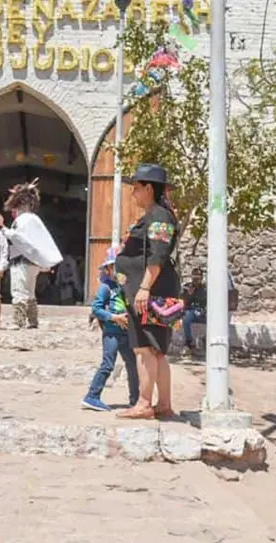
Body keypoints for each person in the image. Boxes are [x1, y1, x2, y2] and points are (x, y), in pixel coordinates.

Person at [114, 164, 180, 420]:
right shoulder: (157, 215)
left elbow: (158, 256)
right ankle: (163, 404)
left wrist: (143, 287)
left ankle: (144, 403)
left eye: (136, 188)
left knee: (144, 348)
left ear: (149, 188)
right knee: (156, 350)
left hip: (151, 291)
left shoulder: (159, 216)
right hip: (155, 290)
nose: (133, 194)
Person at [82, 247, 139, 411]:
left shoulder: (124, 287)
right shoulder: (105, 288)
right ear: (108, 269)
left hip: (126, 332)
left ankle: (135, 400)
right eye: (115, 267)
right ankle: (92, 396)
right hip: (112, 333)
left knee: (133, 365)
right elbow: (97, 309)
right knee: (108, 364)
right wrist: (114, 318)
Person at [1, 180, 62, 329]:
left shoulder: (22, 220)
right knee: (30, 292)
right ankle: (33, 321)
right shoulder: (35, 219)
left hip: (22, 260)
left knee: (19, 290)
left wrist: (5, 230)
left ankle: (18, 321)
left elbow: (20, 239)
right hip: (33, 261)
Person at [181, 269, 207, 351]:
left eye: (198, 277)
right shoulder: (187, 287)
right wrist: (189, 294)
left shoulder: (205, 288)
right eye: (194, 277)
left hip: (203, 311)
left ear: (201, 278)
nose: (196, 280)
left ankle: (206, 339)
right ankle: (189, 341)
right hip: (191, 311)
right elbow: (183, 301)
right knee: (186, 318)